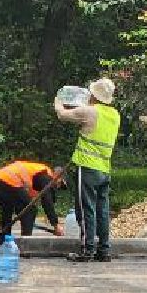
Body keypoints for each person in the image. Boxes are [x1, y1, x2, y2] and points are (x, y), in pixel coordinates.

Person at [55, 77, 120, 263]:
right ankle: (104, 250)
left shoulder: (90, 112)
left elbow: (62, 115)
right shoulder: (115, 115)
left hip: (88, 168)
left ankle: (87, 249)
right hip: (104, 169)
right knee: (103, 210)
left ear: (93, 95)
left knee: (85, 210)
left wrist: (58, 102)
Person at [0, 160, 64, 245]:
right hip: (10, 180)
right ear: (57, 176)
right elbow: (47, 200)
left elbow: (25, 199)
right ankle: (26, 243)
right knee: (30, 209)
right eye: (60, 183)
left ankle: (1, 245)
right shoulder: (46, 175)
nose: (58, 187)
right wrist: (55, 224)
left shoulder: (38, 174)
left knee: (7, 211)